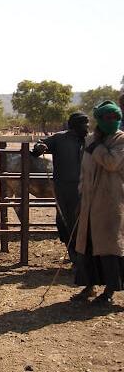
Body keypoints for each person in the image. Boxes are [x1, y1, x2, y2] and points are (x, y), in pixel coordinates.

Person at [72, 101, 124, 305]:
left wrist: (97, 148)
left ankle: (110, 290)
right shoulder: (91, 140)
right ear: (100, 120)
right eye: (107, 118)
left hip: (112, 201)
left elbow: (112, 163)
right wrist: (81, 196)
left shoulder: (120, 140)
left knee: (110, 246)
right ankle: (89, 285)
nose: (112, 121)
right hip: (89, 202)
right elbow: (84, 171)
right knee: (87, 245)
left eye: (115, 117)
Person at [31, 112, 89, 262]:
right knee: (65, 221)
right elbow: (38, 146)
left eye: (87, 123)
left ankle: (85, 257)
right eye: (84, 124)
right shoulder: (59, 138)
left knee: (86, 221)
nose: (87, 127)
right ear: (74, 125)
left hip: (87, 188)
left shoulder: (89, 140)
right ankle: (73, 253)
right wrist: (39, 147)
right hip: (64, 188)